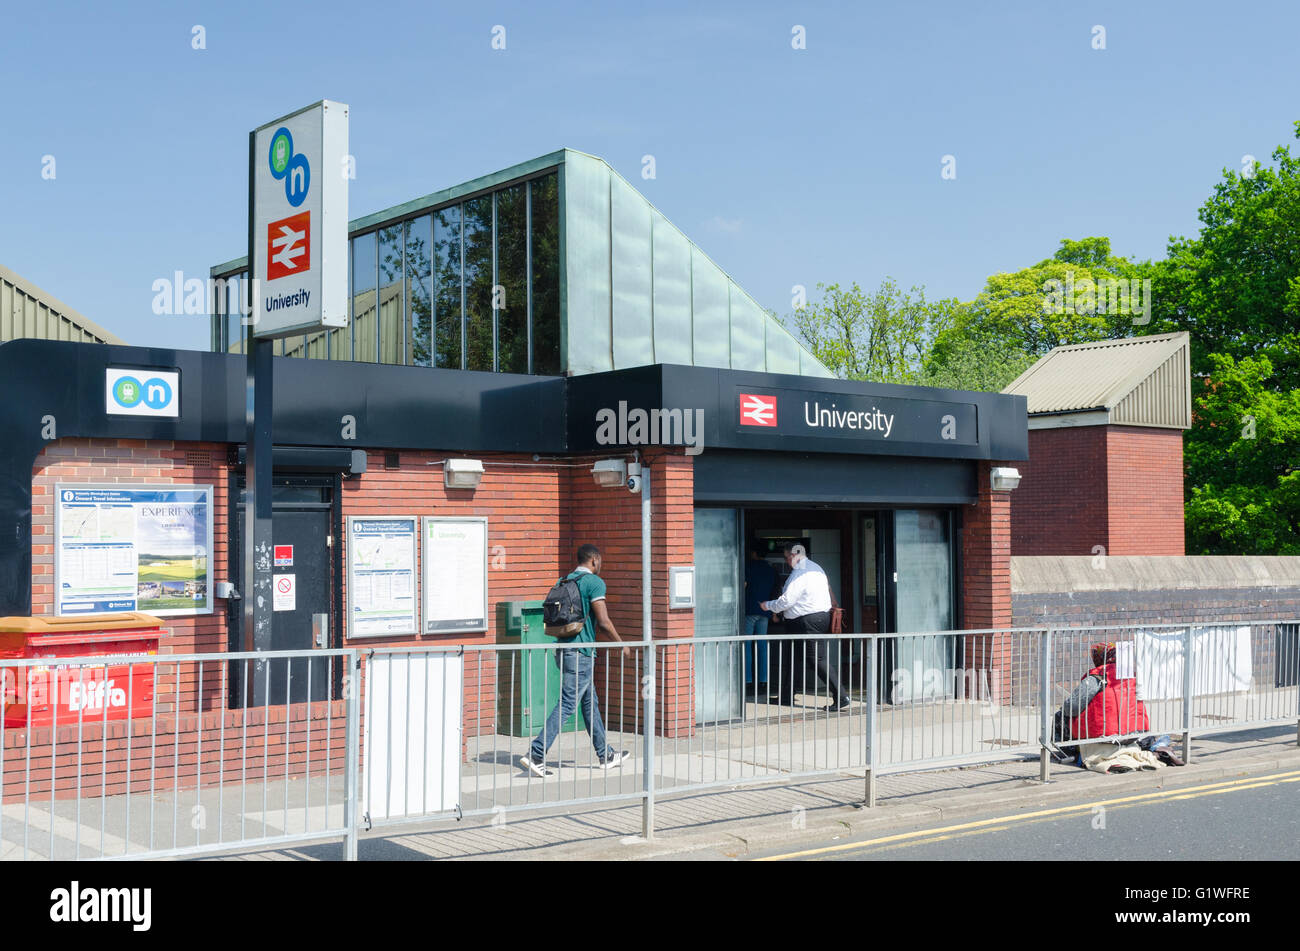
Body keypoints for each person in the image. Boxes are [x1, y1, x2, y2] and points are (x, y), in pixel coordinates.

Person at [520, 544, 631, 776]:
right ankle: (536, 753)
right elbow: (603, 621)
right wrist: (621, 643)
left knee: (590, 703)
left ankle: (606, 754)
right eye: (600, 561)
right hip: (581, 653)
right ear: (594, 560)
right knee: (569, 703)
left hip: (563, 649)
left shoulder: (565, 580)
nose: (600, 565)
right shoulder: (594, 583)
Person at [1053, 642, 1181, 771]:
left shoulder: (1096, 677)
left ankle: (1071, 752)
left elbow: (1072, 708)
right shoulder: (1132, 676)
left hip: (1106, 735)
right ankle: (1155, 750)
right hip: (1135, 733)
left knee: (1061, 715)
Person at [761, 543, 852, 710]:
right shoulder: (815, 568)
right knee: (793, 658)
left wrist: (768, 605)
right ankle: (787, 695)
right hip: (810, 620)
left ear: (795, 555)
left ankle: (841, 696)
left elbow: (787, 600)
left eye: (787, 558)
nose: (787, 561)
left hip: (807, 621)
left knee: (817, 659)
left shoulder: (801, 574)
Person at [743, 546, 777, 699]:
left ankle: (748, 680)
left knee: (747, 646)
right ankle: (763, 681)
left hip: (750, 609)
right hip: (765, 610)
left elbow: (743, 586)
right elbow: (776, 589)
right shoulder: (771, 569)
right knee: (762, 646)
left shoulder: (748, 567)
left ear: (754, 552)